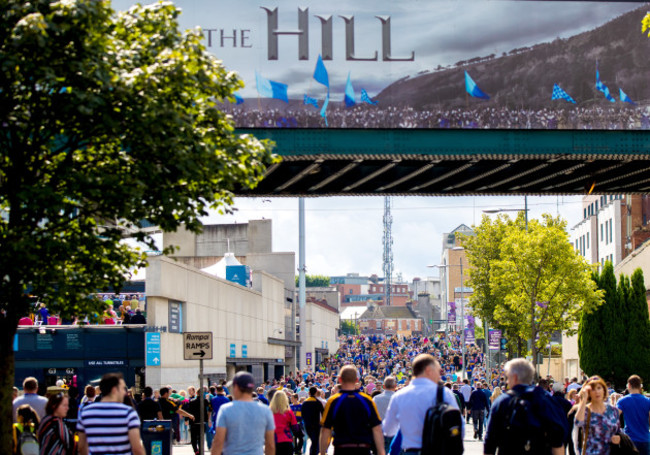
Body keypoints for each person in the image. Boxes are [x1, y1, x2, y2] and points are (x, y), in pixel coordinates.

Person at [484, 358, 567, 455]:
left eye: (507, 377)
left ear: (514, 377)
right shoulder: (546, 399)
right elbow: (557, 441)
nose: (506, 382)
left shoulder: (502, 402)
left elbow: (490, 443)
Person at [383, 354, 462, 455]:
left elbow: (388, 430)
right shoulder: (444, 393)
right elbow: (459, 426)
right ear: (428, 370)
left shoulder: (400, 395)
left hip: (410, 450)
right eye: (438, 371)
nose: (439, 375)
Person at [320, 364, 385, 455]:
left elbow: (326, 430)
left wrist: (322, 452)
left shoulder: (333, 401)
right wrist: (382, 452)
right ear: (357, 380)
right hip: (363, 448)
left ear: (339, 380)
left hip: (341, 449)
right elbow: (377, 428)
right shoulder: (367, 400)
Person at [77, 372, 145, 455]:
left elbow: (81, 447)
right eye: (122, 388)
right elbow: (137, 448)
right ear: (114, 390)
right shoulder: (128, 413)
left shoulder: (86, 413)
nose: (124, 392)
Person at [211, 371, 275, 455]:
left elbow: (218, 442)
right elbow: (270, 444)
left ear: (236, 387)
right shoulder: (265, 411)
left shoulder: (226, 410)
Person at [575, 375, 621, 455]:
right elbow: (578, 422)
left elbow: (618, 432)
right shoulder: (585, 410)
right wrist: (584, 399)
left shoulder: (613, 410)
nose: (597, 392)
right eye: (592, 389)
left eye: (599, 388)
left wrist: (618, 439)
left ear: (604, 389)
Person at [617, 374, 650, 455]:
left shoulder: (622, 401)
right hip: (645, 439)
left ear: (628, 385)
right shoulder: (648, 401)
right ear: (640, 386)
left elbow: (614, 417)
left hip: (629, 440)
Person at [373, 376, 397, 453]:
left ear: (383, 386)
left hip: (380, 431)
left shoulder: (376, 399)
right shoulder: (399, 397)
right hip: (395, 432)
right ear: (395, 386)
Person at [185, 386, 211, 455]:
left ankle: (196, 451)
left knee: (193, 438)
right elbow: (209, 408)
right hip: (202, 422)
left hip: (194, 422)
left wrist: (186, 419)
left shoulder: (192, 401)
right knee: (200, 437)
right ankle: (200, 450)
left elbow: (188, 411)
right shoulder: (205, 401)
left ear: (196, 393)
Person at [270, 390, 298, 455]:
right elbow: (295, 428)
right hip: (286, 440)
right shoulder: (289, 412)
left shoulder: (269, 412)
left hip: (273, 441)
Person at [301, 386, 324, 455]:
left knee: (312, 439)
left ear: (309, 392)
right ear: (316, 392)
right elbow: (323, 413)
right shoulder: (318, 402)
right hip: (316, 424)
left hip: (307, 424)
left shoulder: (305, 402)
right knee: (315, 441)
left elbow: (302, 413)